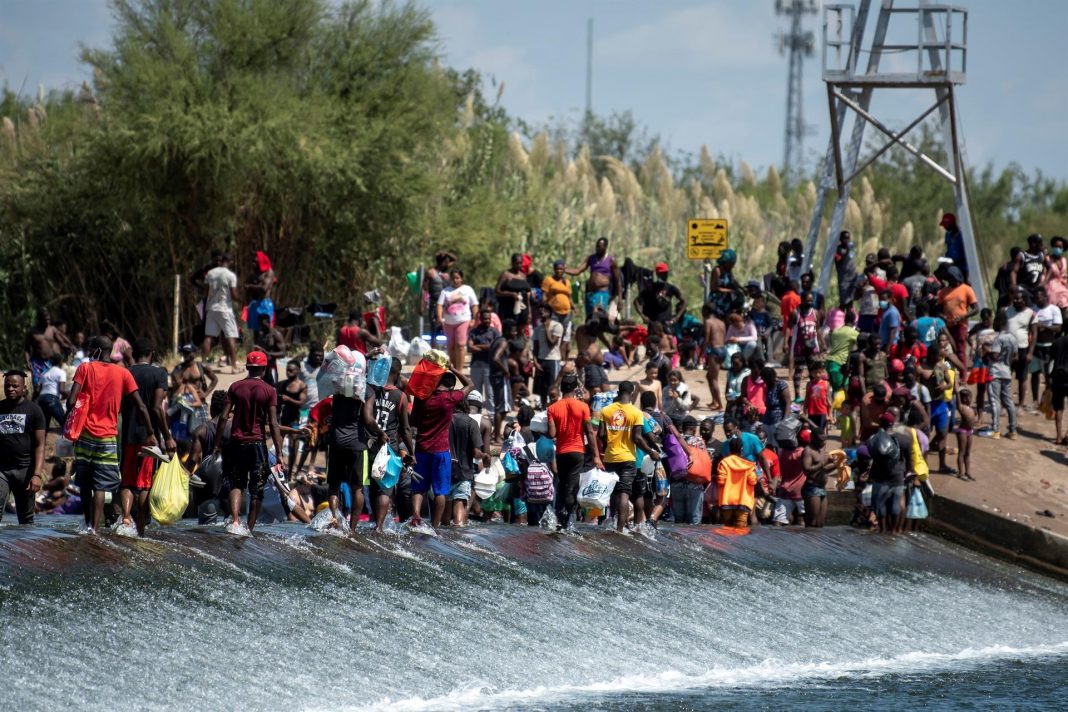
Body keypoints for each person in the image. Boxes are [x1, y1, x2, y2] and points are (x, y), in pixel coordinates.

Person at [68, 336, 156, 532]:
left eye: (92, 349)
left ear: (98, 350)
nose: (90, 353)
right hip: (108, 436)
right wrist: (150, 432)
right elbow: (140, 405)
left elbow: (71, 401)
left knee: (84, 482)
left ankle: (87, 522)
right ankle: (95, 528)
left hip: (85, 435)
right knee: (100, 485)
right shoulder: (123, 373)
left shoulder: (85, 369)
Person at [214, 350, 286, 533]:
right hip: (257, 445)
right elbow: (274, 424)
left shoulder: (235, 387)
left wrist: (217, 443)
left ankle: (236, 521)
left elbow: (223, 417)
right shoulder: (270, 391)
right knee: (257, 490)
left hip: (236, 443)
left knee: (237, 484)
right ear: (264, 369)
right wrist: (279, 453)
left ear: (247, 367)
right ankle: (249, 530)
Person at [119, 338, 176, 535]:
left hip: (127, 435)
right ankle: (141, 529)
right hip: (148, 437)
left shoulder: (126, 373)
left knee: (127, 481)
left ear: (135, 355)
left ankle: (126, 519)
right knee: (144, 484)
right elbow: (156, 407)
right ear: (151, 354)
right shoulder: (159, 373)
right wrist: (167, 436)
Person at [410, 367, 474, 528]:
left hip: (421, 449)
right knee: (441, 491)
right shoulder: (450, 398)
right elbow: (470, 384)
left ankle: (416, 516)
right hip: (441, 451)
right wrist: (452, 367)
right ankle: (435, 526)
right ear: (451, 386)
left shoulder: (422, 397)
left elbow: (413, 421)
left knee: (418, 488)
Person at [326, 367, 383, 531]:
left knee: (334, 485)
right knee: (357, 488)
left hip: (336, 442)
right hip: (357, 445)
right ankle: (352, 529)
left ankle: (335, 519)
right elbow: (368, 418)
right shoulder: (367, 390)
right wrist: (380, 433)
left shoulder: (338, 388)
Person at [599, 381, 660, 532]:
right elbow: (638, 438)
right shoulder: (635, 412)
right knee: (624, 493)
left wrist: (611, 442)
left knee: (614, 493)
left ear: (618, 392)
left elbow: (600, 434)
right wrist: (651, 452)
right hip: (627, 458)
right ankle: (620, 530)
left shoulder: (606, 410)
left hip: (609, 458)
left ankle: (613, 523)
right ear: (632, 393)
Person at [547, 373, 601, 527]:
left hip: (561, 452)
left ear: (561, 388)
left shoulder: (552, 408)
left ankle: (559, 521)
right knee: (572, 486)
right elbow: (590, 432)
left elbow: (552, 434)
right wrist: (596, 456)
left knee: (562, 484)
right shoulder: (583, 406)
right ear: (575, 388)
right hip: (578, 451)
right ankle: (567, 522)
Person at [369, 357, 416, 528]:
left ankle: (375, 523)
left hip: (371, 445)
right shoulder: (401, 397)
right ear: (396, 374)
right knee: (385, 489)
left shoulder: (372, 390)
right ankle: (379, 528)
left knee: (373, 487)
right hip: (389, 449)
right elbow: (405, 429)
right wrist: (411, 452)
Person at [0, 371, 46, 524]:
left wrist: (37, 475)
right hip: (2, 470)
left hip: (25, 471)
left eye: (15, 386)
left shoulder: (34, 410)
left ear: (24, 388)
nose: (11, 389)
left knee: (26, 519)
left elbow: (40, 445)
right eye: (7, 386)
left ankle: (25, 547)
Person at [865, 410, 912, 534]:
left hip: (880, 476)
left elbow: (871, 456)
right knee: (896, 504)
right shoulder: (904, 439)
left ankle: (883, 530)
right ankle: (894, 532)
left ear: (881, 424)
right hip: (897, 476)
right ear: (893, 423)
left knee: (881, 506)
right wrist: (908, 473)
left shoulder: (875, 439)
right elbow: (909, 460)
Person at [448, 394, 485, 527]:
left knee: (445, 506)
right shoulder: (472, 423)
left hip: (446, 470)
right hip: (464, 472)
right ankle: (458, 535)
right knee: (459, 502)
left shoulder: (446, 420)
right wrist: (485, 455)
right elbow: (476, 453)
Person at [201, 252, 240, 371]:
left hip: (211, 308)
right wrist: (242, 300)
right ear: (230, 262)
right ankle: (234, 366)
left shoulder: (210, 273)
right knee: (231, 336)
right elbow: (233, 295)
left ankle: (203, 364)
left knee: (208, 336)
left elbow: (205, 292)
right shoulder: (230, 275)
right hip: (225, 309)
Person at [568, 237, 622, 319]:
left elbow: (618, 281)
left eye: (600, 246)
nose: (597, 248)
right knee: (589, 320)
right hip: (590, 294)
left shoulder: (611, 260)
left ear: (605, 247)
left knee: (597, 317)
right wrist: (564, 270)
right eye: (596, 246)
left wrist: (620, 299)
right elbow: (578, 270)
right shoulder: (591, 258)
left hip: (602, 294)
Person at [437, 268, 479, 371]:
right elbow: (439, 305)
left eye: (457, 278)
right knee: (451, 346)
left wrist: (474, 319)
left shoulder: (468, 289)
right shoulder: (445, 291)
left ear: (461, 279)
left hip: (463, 321)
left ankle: (459, 370)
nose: (455, 280)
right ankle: (454, 367)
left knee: (460, 345)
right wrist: (439, 318)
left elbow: (474, 305)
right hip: (448, 322)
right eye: (453, 278)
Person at [24, 308, 72, 393]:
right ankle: (36, 404)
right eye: (45, 320)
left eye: (49, 319)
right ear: (39, 319)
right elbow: (26, 348)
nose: (47, 321)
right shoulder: (32, 332)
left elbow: (61, 342)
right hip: (37, 363)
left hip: (50, 362)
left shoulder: (52, 329)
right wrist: (27, 362)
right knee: (37, 387)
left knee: (51, 386)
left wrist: (69, 347)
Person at [987, 312, 1018, 440]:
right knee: (1009, 402)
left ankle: (996, 430)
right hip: (1007, 371)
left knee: (995, 401)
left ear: (999, 322)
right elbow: (1015, 356)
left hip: (995, 371)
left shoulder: (999, 338)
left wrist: (987, 352)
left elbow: (994, 355)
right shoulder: (1013, 338)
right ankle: (1013, 430)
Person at [938, 266, 978, 364]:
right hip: (947, 326)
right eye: (950, 279)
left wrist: (963, 316)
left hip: (961, 325)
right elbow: (938, 310)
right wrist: (943, 317)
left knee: (960, 349)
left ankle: (963, 374)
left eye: (954, 278)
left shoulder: (967, 289)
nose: (952, 281)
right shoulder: (943, 292)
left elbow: (976, 309)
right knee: (948, 350)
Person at [715, 435, 757, 528]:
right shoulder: (749, 464)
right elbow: (753, 481)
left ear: (730, 449)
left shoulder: (724, 462)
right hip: (743, 501)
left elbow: (721, 481)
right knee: (740, 530)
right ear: (742, 449)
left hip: (727, 501)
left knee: (727, 529)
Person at [276, 359, 307, 478]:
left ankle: (290, 473)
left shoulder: (301, 386)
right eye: (287, 370)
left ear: (298, 370)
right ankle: (280, 468)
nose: (288, 372)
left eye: (291, 370)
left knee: (293, 446)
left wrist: (289, 400)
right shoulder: (282, 384)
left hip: (294, 419)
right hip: (283, 418)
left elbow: (301, 403)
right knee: (279, 443)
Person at [788, 290, 823, 394]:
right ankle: (798, 395)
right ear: (802, 300)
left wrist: (823, 344)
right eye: (807, 301)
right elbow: (789, 328)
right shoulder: (795, 313)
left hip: (812, 347)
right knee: (798, 372)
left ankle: (813, 394)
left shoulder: (815, 313)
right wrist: (786, 343)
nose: (810, 303)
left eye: (811, 301)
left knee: (814, 371)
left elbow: (818, 329)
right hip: (800, 348)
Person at [801, 431, 837, 528]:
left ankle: (818, 543)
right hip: (811, 488)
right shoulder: (808, 451)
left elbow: (823, 470)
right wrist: (823, 463)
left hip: (822, 488)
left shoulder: (821, 449)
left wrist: (836, 465)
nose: (823, 443)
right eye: (821, 440)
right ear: (813, 439)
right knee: (813, 522)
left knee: (820, 523)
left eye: (824, 440)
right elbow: (806, 469)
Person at [634, 262, 686, 327]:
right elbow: (636, 301)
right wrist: (642, 316)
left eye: (666, 273)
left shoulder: (671, 288)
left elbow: (684, 302)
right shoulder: (650, 288)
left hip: (667, 324)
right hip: (653, 325)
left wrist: (676, 317)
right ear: (658, 274)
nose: (665, 275)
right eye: (662, 273)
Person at [542, 259, 574, 360]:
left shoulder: (567, 282)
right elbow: (544, 294)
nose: (559, 271)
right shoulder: (549, 280)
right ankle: (550, 355)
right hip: (554, 311)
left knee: (563, 334)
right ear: (554, 269)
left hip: (566, 312)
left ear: (564, 269)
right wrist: (544, 307)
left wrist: (573, 307)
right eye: (557, 269)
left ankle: (560, 357)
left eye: (561, 269)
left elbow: (569, 297)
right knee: (554, 332)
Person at [532, 304, 563, 405]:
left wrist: (546, 328)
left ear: (549, 313)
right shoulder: (537, 329)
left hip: (552, 360)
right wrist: (535, 362)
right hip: (541, 360)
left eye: (543, 311)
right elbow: (535, 347)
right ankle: (543, 407)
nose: (541, 313)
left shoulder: (557, 326)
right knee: (542, 388)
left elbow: (551, 343)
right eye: (539, 311)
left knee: (552, 387)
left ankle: (553, 407)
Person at [424, 251, 457, 344]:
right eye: (446, 262)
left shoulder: (446, 275)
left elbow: (454, 259)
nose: (448, 264)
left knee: (446, 328)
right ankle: (433, 350)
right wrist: (422, 304)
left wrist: (446, 253)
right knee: (434, 329)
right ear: (441, 262)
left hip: (445, 306)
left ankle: (447, 350)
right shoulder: (431, 272)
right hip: (434, 304)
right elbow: (424, 289)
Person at [495, 253, 532, 328]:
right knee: (509, 329)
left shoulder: (523, 276)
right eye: (517, 263)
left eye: (520, 263)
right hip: (508, 308)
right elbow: (497, 291)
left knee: (520, 329)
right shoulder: (506, 275)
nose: (519, 265)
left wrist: (529, 312)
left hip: (522, 308)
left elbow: (527, 296)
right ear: (512, 263)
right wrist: (511, 294)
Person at [702, 303, 727, 410]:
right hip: (722, 350)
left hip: (715, 350)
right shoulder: (722, 322)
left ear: (706, 311)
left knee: (714, 379)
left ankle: (720, 405)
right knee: (709, 376)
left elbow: (707, 339)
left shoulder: (708, 322)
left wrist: (701, 355)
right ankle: (714, 401)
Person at [245, 250, 277, 331]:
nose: (253, 263)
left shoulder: (268, 272)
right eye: (253, 261)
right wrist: (246, 304)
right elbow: (247, 290)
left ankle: (280, 343)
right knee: (255, 329)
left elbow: (264, 288)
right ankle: (258, 343)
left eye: (255, 261)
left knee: (266, 326)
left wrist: (250, 286)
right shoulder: (252, 275)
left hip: (264, 303)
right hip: (253, 304)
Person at [37, 353, 68, 434]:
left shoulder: (44, 374)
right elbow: (61, 390)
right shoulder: (61, 372)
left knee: (44, 426)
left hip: (42, 399)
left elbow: (39, 389)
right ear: (61, 362)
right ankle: (68, 444)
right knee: (65, 423)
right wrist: (69, 395)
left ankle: (41, 445)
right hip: (52, 399)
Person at [1011, 233, 1049, 301]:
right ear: (1033, 244)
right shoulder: (1022, 256)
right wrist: (1014, 285)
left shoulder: (1042, 255)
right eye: (1040, 243)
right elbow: (1014, 271)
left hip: (1036, 289)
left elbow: (1048, 268)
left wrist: (1044, 281)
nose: (1042, 245)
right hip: (1024, 288)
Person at [254, 314, 286, 386]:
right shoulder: (261, 334)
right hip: (260, 368)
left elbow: (283, 353)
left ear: (268, 322)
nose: (261, 327)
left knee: (273, 388)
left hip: (271, 368)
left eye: (263, 325)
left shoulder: (276, 334)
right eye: (260, 325)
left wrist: (268, 353)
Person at [1049, 322, 1068, 447]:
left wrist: (1048, 378)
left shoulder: (1057, 342)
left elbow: (1050, 361)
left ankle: (1058, 436)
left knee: (1058, 407)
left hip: (1057, 376)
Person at [956, 387, 977, 481]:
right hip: (963, 431)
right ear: (964, 399)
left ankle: (967, 472)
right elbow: (957, 395)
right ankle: (960, 473)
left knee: (968, 452)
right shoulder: (962, 407)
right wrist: (957, 389)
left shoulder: (972, 409)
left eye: (971, 397)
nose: (970, 399)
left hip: (969, 432)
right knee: (962, 452)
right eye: (969, 398)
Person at [805, 362, 832, 433]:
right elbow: (806, 398)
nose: (817, 374)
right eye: (815, 372)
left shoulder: (826, 383)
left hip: (822, 411)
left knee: (821, 432)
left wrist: (830, 414)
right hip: (811, 412)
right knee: (812, 431)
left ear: (822, 372)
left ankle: (821, 443)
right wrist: (805, 411)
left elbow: (829, 400)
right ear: (811, 373)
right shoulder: (809, 384)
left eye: (819, 372)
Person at [834, 230, 858, 307]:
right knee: (844, 301)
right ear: (840, 239)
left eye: (848, 238)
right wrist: (846, 251)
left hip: (852, 277)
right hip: (844, 279)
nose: (846, 240)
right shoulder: (838, 249)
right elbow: (838, 260)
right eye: (844, 238)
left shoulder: (851, 247)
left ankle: (850, 316)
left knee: (851, 300)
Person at [941, 213, 967, 279]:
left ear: (952, 224)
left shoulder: (961, 235)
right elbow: (949, 249)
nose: (944, 227)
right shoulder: (948, 235)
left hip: (962, 267)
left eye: (946, 225)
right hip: (952, 266)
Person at [1046, 235, 1068, 311]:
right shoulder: (1047, 259)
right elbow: (1045, 274)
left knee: (1065, 306)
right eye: (1056, 246)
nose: (1057, 248)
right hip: (1051, 287)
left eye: (1060, 247)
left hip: (1063, 287)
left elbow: (1065, 273)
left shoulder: (1064, 260)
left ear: (1063, 248)